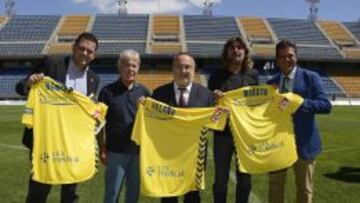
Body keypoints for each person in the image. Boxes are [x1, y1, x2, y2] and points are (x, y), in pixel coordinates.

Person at [16, 32, 99, 203]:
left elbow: (88, 107)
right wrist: (30, 83)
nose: (85, 53)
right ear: (73, 48)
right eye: (81, 48)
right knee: (39, 189)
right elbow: (21, 86)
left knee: (70, 191)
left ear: (94, 55)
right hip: (45, 141)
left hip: (74, 144)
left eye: (89, 51)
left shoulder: (94, 79)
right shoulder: (52, 63)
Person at [267, 40, 332, 203]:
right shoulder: (271, 84)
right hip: (278, 143)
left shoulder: (311, 77)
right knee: (275, 187)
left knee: (304, 190)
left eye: (290, 55)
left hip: (305, 144)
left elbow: (326, 105)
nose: (287, 60)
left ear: (296, 56)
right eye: (282, 57)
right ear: (277, 60)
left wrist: (301, 103)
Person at [152, 52, 214, 203]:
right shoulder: (159, 94)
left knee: (192, 197)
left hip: (195, 157)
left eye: (187, 67)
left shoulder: (206, 95)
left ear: (194, 70)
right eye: (179, 66)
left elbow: (213, 123)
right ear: (173, 69)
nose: (183, 70)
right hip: (167, 156)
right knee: (168, 196)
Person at [208, 36, 259, 203]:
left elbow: (257, 104)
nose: (236, 50)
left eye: (239, 47)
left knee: (245, 180)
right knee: (221, 181)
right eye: (232, 47)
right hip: (222, 134)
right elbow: (208, 102)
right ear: (227, 52)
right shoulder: (216, 74)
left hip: (244, 135)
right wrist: (214, 97)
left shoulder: (253, 75)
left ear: (245, 52)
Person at [98, 50, 150, 203]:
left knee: (133, 195)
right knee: (112, 194)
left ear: (138, 68)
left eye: (134, 65)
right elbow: (99, 124)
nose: (131, 69)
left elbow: (153, 123)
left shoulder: (145, 92)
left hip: (138, 153)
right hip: (115, 152)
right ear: (119, 67)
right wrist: (102, 148)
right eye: (126, 65)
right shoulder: (107, 92)